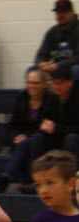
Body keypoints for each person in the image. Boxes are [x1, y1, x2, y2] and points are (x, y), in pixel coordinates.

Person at [0, 70, 56, 193]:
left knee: (27, 143)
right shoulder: (21, 98)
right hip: (22, 140)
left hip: (43, 139)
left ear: (43, 84)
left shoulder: (51, 100)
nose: (31, 86)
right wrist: (15, 136)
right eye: (29, 82)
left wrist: (26, 137)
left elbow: (46, 127)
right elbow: (12, 124)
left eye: (35, 83)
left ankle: (7, 177)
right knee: (24, 144)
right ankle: (25, 181)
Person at [24, 63, 79, 192]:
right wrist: (45, 127)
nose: (57, 86)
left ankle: (69, 181)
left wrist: (56, 129)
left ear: (70, 82)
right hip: (58, 137)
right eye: (55, 83)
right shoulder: (52, 98)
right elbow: (45, 121)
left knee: (71, 138)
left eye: (60, 83)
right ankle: (37, 181)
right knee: (38, 138)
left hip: (74, 139)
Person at [34, 0, 79, 75]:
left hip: (71, 66)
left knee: (76, 69)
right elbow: (41, 55)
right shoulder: (52, 32)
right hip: (56, 67)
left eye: (64, 12)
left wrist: (58, 65)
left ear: (72, 13)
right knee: (32, 71)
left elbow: (77, 58)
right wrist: (41, 64)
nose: (60, 15)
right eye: (58, 12)